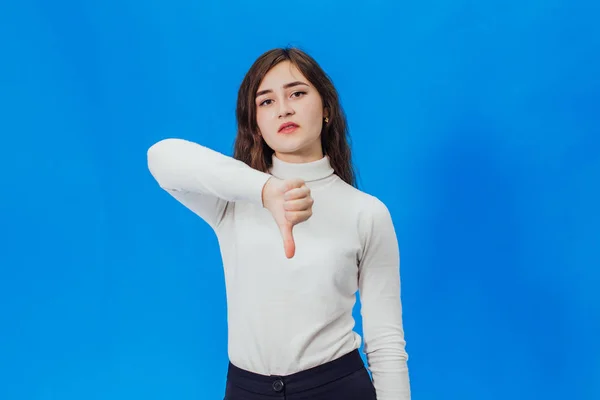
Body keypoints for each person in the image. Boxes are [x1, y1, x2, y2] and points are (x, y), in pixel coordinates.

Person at [147, 47, 410, 399]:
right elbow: (161, 157)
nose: (284, 108)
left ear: (327, 109)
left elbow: (386, 341)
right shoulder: (236, 198)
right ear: (255, 123)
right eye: (266, 102)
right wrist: (266, 190)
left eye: (297, 93)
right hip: (245, 389)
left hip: (336, 388)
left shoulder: (367, 212)